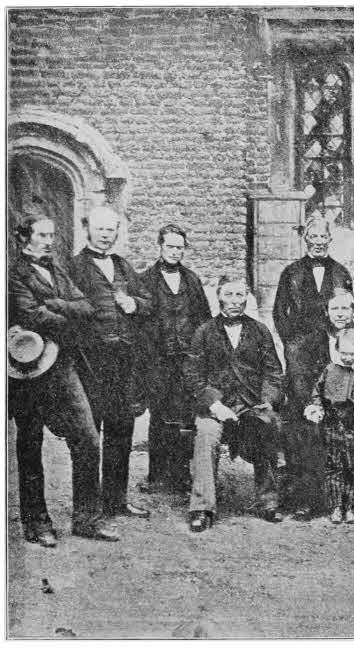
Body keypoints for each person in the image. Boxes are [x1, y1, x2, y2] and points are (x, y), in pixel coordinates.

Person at [8, 210, 119, 545]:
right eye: (42, 235)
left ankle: (87, 519)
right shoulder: (13, 273)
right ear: (24, 238)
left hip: (63, 367)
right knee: (30, 445)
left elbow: (87, 306)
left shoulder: (57, 268)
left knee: (87, 439)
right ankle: (37, 524)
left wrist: (54, 304)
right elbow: (32, 315)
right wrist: (65, 313)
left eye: (52, 236)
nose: (49, 242)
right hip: (27, 371)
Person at [68, 206, 152, 520]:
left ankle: (115, 501)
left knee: (120, 433)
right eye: (100, 229)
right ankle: (89, 509)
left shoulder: (123, 266)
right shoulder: (74, 267)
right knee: (88, 438)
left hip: (123, 365)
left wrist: (134, 304)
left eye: (111, 229)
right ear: (88, 229)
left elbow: (148, 303)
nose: (106, 235)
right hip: (90, 365)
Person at [183, 276, 284, 532]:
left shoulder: (260, 331)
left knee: (268, 425)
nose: (235, 301)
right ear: (219, 297)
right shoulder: (204, 331)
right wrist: (214, 404)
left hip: (252, 405)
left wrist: (267, 402)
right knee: (206, 434)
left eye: (240, 295)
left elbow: (273, 372)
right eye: (229, 295)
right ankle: (202, 507)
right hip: (217, 407)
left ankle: (268, 502)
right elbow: (192, 374)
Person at [272, 217, 353, 519]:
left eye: (323, 236)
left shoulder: (341, 273)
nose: (318, 241)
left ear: (330, 239)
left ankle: (334, 494)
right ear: (305, 239)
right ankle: (304, 496)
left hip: (331, 354)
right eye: (313, 236)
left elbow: (347, 313)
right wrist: (292, 345)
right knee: (301, 423)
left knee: (332, 419)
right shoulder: (291, 273)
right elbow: (279, 313)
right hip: (301, 359)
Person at [139, 224, 212, 493]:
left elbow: (204, 320)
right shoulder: (145, 280)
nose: (174, 251)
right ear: (160, 247)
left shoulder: (192, 280)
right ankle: (157, 475)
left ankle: (181, 473)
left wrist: (200, 355)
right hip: (157, 360)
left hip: (186, 361)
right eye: (169, 246)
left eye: (179, 247)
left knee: (184, 416)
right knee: (159, 414)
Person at [305, 328, 354, 524]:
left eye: (353, 353)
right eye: (344, 353)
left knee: (352, 466)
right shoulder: (330, 369)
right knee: (333, 466)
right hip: (332, 423)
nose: (348, 358)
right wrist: (316, 407)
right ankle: (335, 506)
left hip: (353, 425)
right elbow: (317, 391)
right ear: (337, 350)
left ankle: (352, 507)